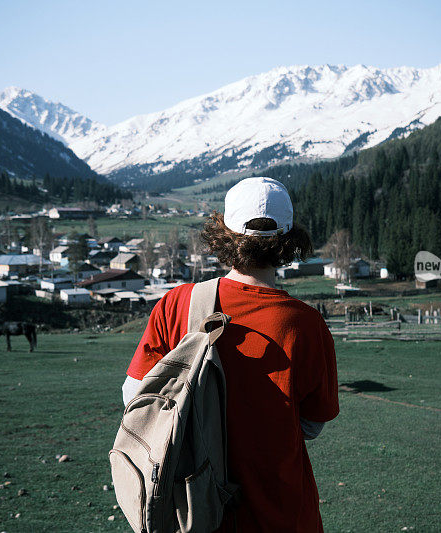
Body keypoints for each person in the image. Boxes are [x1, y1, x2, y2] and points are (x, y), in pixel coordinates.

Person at [122, 177, 339, 532]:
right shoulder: (307, 324)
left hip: (192, 512)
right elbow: (313, 424)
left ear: (224, 231)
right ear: (288, 239)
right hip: (283, 516)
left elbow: (135, 397)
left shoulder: (177, 305)